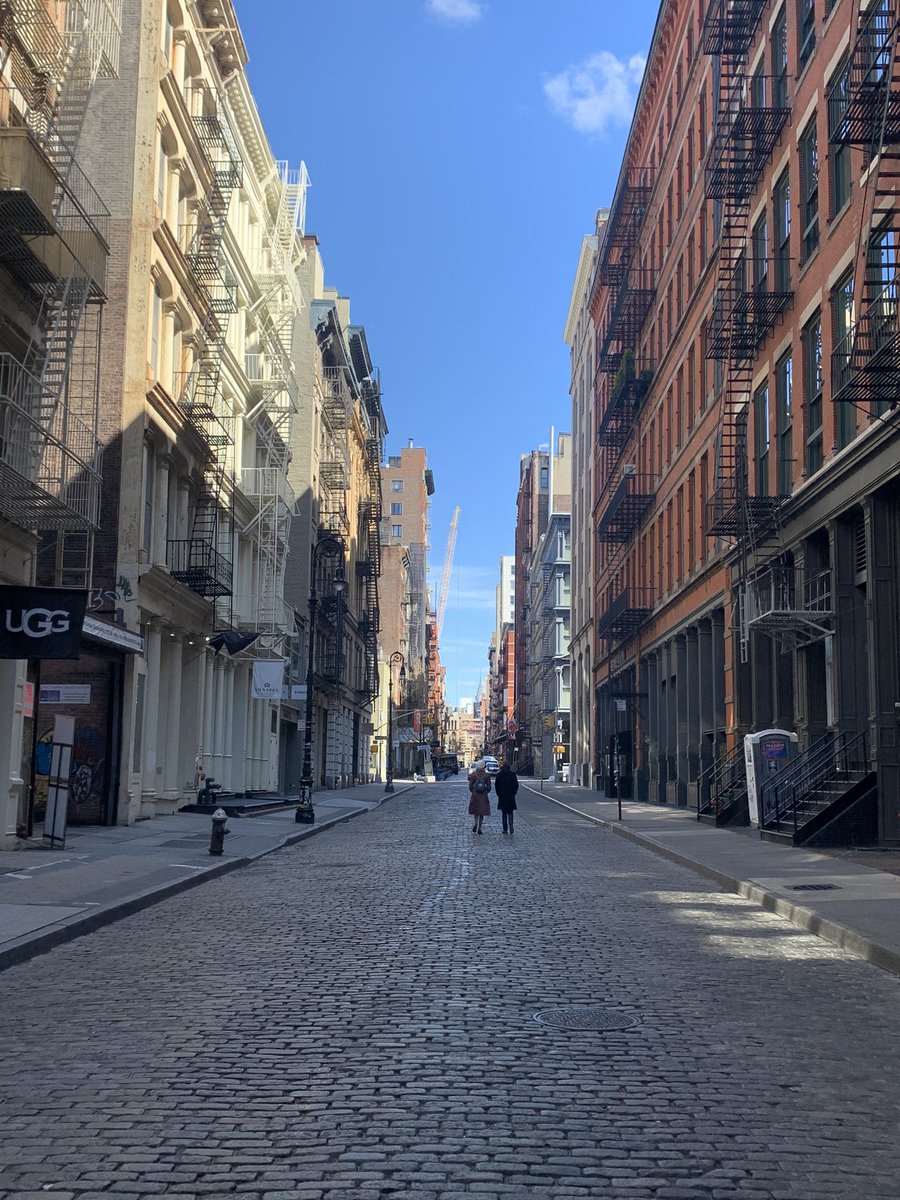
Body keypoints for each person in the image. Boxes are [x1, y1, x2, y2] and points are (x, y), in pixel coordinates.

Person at [494, 761, 519, 833]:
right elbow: (516, 785)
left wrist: (499, 794)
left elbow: (497, 786)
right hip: (510, 796)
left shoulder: (499, 775)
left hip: (502, 796)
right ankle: (511, 824)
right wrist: (514, 793)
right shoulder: (512, 774)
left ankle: (505, 829)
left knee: (504, 813)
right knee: (510, 812)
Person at [467, 760, 491, 834]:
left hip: (475, 794)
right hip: (483, 795)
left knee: (475, 810)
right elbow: (489, 787)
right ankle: (479, 828)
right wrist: (486, 791)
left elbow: (470, 786)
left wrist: (473, 790)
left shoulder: (474, 774)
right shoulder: (487, 775)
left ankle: (475, 823)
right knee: (481, 812)